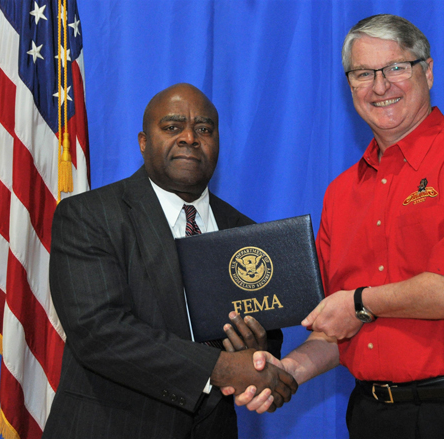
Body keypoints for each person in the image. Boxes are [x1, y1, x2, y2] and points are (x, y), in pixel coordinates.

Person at [227, 14, 444, 438]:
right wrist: (287, 372)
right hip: (372, 415)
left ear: (427, 71)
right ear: (349, 85)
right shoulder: (340, 193)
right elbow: (339, 326)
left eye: (395, 68)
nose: (379, 86)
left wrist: (358, 302)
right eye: (362, 73)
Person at [43, 83, 297, 439]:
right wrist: (223, 368)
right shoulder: (89, 215)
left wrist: (256, 360)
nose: (190, 138)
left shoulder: (245, 232)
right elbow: (100, 333)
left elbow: (267, 334)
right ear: (143, 142)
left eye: (204, 129)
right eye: (172, 127)